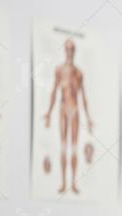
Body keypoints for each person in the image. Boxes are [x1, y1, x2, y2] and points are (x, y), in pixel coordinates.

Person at [43, 39, 93, 195]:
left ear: (74, 51)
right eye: (67, 49)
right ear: (65, 51)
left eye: (72, 49)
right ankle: (64, 183)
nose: (69, 52)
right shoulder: (59, 70)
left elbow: (83, 96)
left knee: (74, 147)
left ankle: (73, 183)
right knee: (64, 146)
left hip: (75, 109)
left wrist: (89, 118)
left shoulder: (78, 73)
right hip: (63, 109)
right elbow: (54, 91)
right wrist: (49, 113)